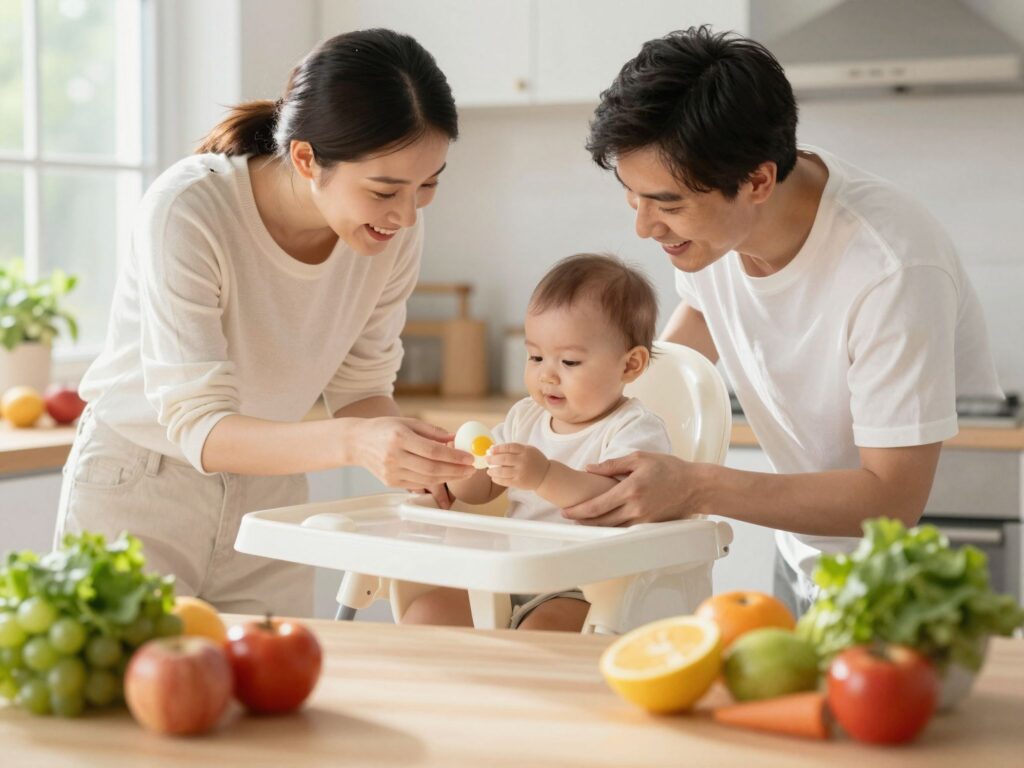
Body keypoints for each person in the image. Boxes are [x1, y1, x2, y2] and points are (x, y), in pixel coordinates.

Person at [569, 27, 1002, 617]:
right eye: (633, 195)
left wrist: (695, 483)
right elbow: (671, 377)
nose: (644, 228)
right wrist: (560, 439)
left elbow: (892, 497)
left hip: (916, 581)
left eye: (667, 203)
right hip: (805, 553)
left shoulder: (891, 266)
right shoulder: (712, 239)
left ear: (757, 181)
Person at [55, 29, 478, 617]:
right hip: (142, 485)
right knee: (125, 700)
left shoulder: (391, 233)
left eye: (428, 184)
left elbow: (359, 388)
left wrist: (419, 460)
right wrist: (358, 443)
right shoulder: (190, 210)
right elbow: (199, 426)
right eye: (385, 189)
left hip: (273, 491)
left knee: (270, 701)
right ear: (306, 158)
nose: (406, 214)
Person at [401, 254, 672, 631]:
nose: (547, 375)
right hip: (512, 575)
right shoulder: (525, 416)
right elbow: (481, 491)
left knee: (537, 636)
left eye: (570, 362)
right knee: (427, 614)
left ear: (630, 366)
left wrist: (543, 475)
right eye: (536, 356)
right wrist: (462, 465)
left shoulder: (633, 430)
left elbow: (617, 501)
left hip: (586, 588)